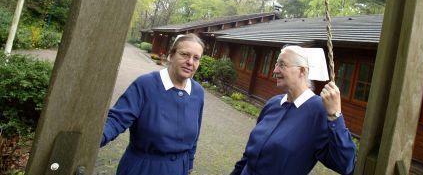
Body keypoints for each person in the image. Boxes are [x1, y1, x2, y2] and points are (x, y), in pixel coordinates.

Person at [230, 45, 357, 175]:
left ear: (302, 71)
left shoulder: (319, 110)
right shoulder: (273, 103)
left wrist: (335, 116)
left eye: (282, 65)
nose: (275, 70)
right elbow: (249, 157)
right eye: (275, 64)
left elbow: (346, 164)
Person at [100, 34, 205, 175]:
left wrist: (188, 165)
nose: (190, 62)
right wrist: (92, 139)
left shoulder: (198, 92)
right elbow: (116, 120)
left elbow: (194, 138)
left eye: (196, 58)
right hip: (143, 168)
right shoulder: (145, 85)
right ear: (171, 55)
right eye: (185, 54)